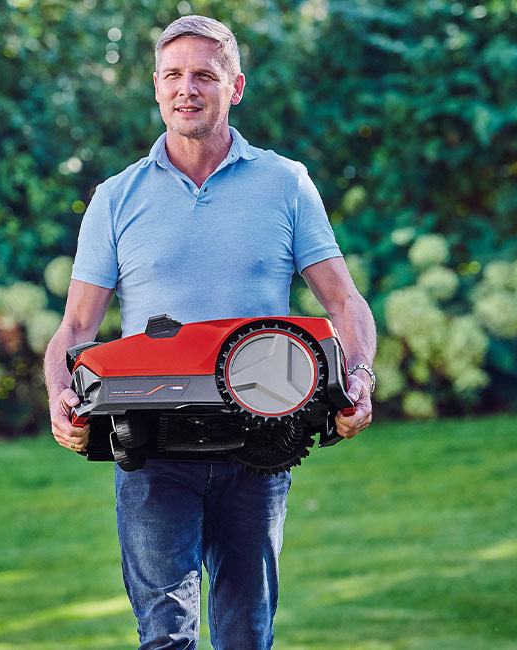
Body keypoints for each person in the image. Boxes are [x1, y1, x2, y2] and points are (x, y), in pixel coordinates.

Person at [43, 15, 376, 650]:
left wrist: (357, 376)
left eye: (204, 75)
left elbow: (345, 302)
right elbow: (76, 328)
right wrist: (60, 393)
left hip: (260, 440)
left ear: (236, 87)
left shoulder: (285, 184)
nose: (186, 90)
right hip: (152, 447)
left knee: (247, 636)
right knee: (165, 637)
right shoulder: (116, 197)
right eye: (172, 75)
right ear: (156, 87)